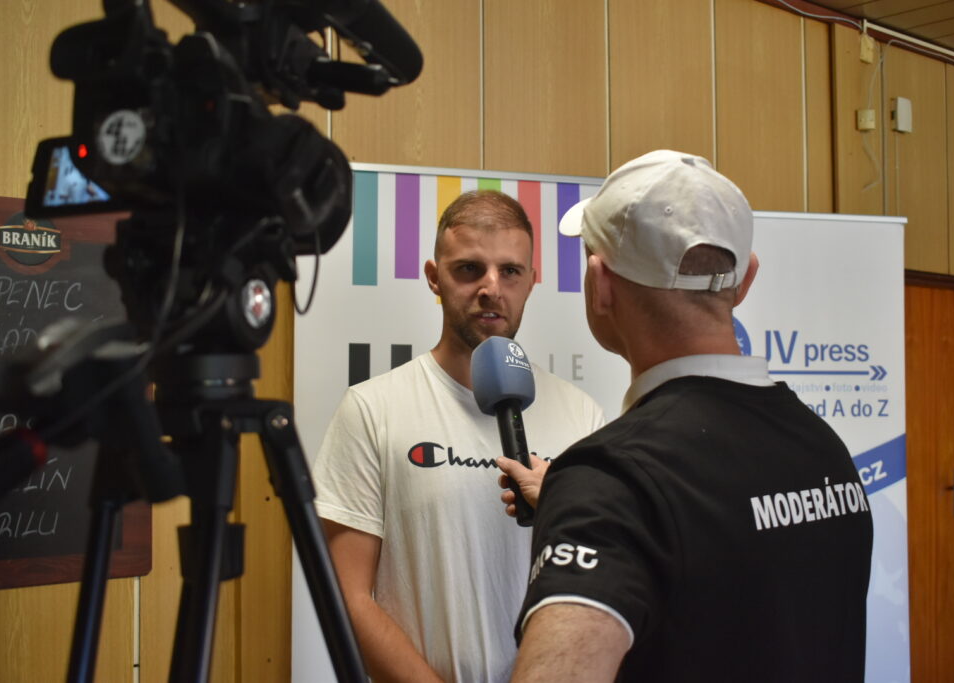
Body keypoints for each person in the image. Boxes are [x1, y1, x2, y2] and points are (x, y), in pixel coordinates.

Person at [498, 151, 874, 682]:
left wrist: (594, 503)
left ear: (600, 283)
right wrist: (583, 505)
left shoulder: (611, 480)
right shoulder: (822, 447)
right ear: (746, 279)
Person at [311, 189, 605, 682]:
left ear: (532, 281)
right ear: (434, 276)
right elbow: (347, 595)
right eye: (469, 269)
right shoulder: (372, 409)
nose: (491, 287)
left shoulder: (583, 416)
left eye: (510, 271)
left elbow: (600, 589)